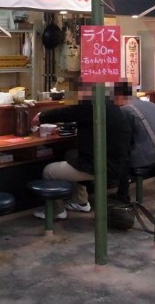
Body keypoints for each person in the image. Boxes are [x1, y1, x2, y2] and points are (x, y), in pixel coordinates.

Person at [30, 81, 131, 220]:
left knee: (48, 170)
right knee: (71, 154)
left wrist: (41, 116)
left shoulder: (90, 105)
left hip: (102, 166)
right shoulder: (110, 105)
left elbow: (66, 113)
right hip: (116, 163)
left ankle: (56, 211)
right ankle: (80, 201)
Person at [113, 81, 155, 170]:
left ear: (118, 95)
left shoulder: (125, 109)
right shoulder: (152, 105)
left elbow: (124, 139)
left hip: (142, 159)